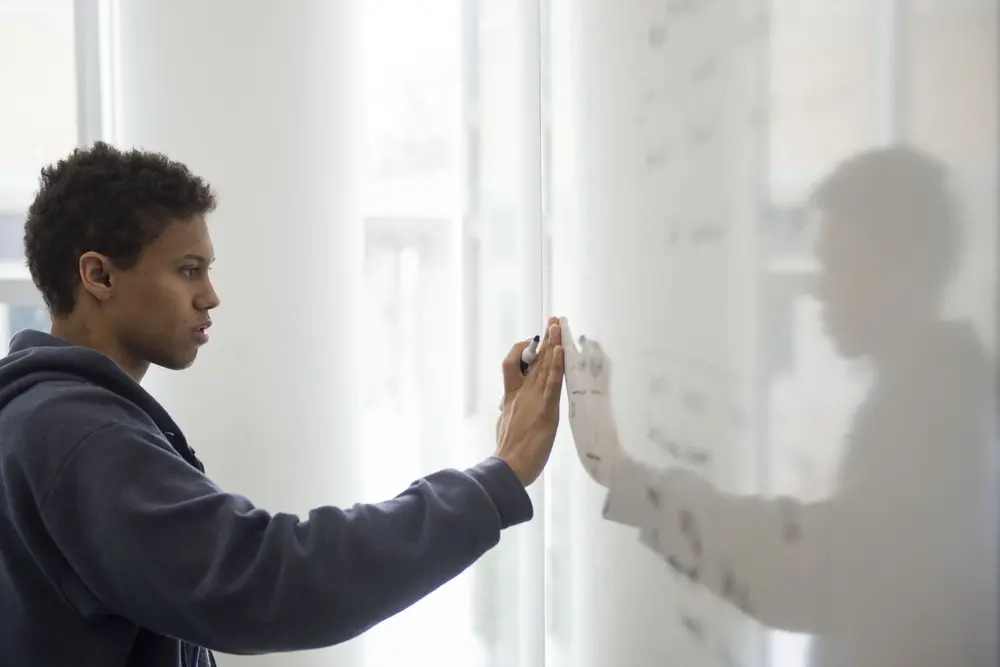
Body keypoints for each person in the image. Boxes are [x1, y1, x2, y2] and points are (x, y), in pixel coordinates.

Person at [0, 141, 566, 667]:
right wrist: (498, 478)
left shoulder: (32, 417)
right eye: (188, 270)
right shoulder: (78, 436)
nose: (210, 296)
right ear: (98, 275)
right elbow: (269, 581)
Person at [566, 145, 997, 666]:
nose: (820, 288)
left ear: (902, 271)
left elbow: (817, 568)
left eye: (839, 263)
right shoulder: (936, 392)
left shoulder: (940, 412)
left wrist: (622, 473)